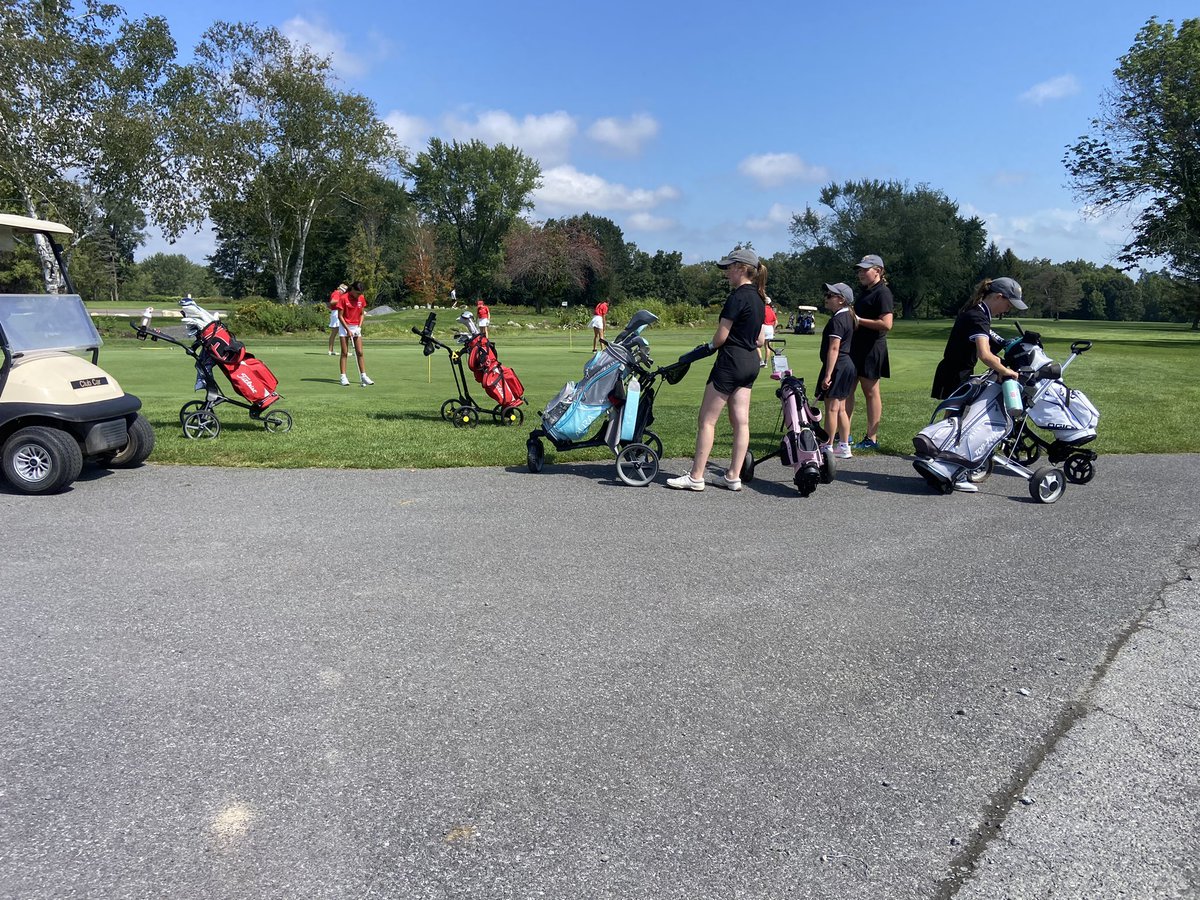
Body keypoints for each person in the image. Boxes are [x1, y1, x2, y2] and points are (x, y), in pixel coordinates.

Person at [667, 248, 766, 492]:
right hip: (751, 362)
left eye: (730, 268)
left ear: (742, 268)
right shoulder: (760, 297)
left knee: (707, 420)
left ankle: (696, 476)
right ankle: (733, 476)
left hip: (730, 362)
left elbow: (721, 337)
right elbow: (761, 339)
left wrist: (708, 347)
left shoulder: (737, 297)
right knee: (741, 422)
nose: (726, 273)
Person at [931, 277, 1027, 400]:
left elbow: (986, 348)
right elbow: (984, 355)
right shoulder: (978, 317)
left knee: (958, 416)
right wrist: (1005, 371)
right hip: (955, 374)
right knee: (954, 417)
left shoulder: (979, 311)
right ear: (998, 297)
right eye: (1008, 305)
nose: (1007, 310)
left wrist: (998, 362)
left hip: (959, 372)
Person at [846, 254, 894, 451]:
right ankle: (843, 432)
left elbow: (886, 324)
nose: (861, 273)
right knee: (847, 390)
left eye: (865, 269)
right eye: (859, 270)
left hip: (872, 348)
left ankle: (871, 438)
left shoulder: (882, 293)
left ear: (878, 271)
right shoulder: (865, 292)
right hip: (856, 346)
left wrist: (857, 319)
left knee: (871, 392)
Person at [817, 283, 858, 459]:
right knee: (840, 408)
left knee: (832, 409)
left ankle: (827, 446)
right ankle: (844, 445)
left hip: (838, 366)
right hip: (847, 365)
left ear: (841, 300)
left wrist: (827, 374)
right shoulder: (848, 316)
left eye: (830, 295)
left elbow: (834, 348)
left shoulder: (838, 320)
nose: (826, 298)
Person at [337, 281, 373, 387]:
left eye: (360, 293)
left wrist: (359, 327)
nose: (359, 295)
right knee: (344, 352)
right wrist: (347, 329)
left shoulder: (361, 298)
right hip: (345, 326)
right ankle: (343, 377)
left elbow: (362, 314)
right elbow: (340, 316)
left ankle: (363, 376)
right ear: (352, 289)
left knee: (360, 352)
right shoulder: (344, 298)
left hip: (356, 327)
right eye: (357, 293)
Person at [327, 282, 348, 355]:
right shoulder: (337, 293)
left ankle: (331, 350)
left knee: (335, 333)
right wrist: (343, 301)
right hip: (336, 313)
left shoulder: (336, 293)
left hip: (335, 313)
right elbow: (332, 302)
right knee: (342, 332)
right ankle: (344, 351)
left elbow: (330, 305)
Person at [760, 296, 777, 367]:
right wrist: (773, 329)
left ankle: (761, 361)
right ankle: (766, 363)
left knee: (757, 345)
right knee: (767, 346)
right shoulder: (771, 310)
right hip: (770, 328)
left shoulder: (761, 309)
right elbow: (776, 322)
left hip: (763, 327)